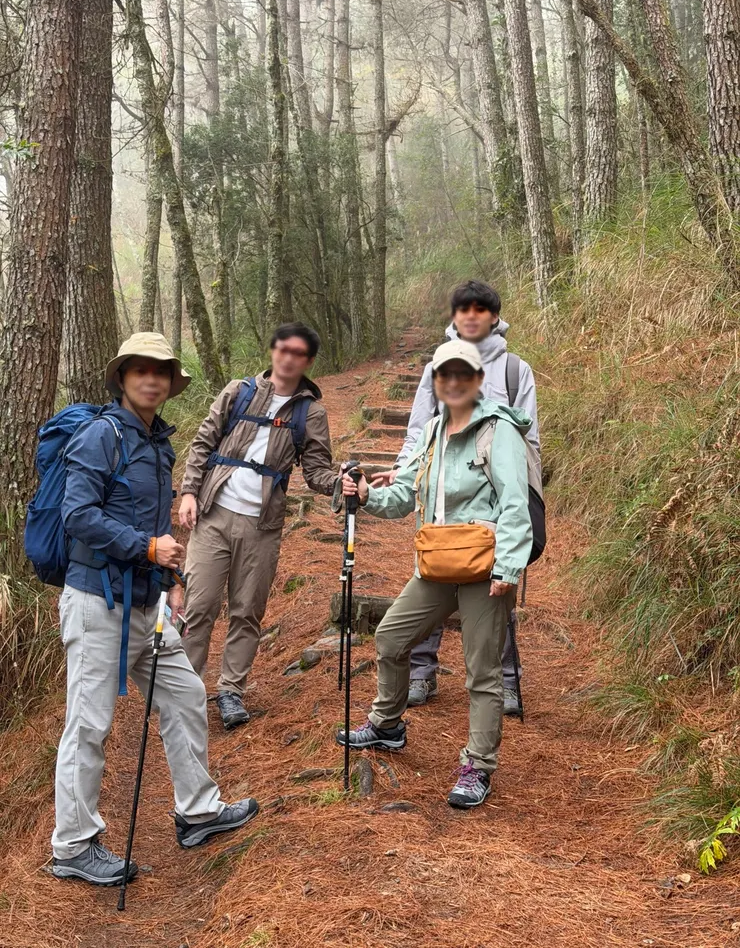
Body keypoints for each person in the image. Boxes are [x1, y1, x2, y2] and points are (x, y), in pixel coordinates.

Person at [52, 333, 258, 888]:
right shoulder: (101, 436)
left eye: (161, 372)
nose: (152, 379)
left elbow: (160, 526)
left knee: (186, 692)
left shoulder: (158, 443)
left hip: (147, 604)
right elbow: (77, 515)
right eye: (141, 370)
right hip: (97, 600)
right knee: (89, 724)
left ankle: (197, 811)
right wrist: (145, 548)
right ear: (122, 378)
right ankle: (72, 845)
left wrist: (171, 580)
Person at [337, 339, 533, 809]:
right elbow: (405, 494)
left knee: (481, 672)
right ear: (436, 382)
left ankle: (478, 765)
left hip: (485, 569)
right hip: (437, 563)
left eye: (462, 374)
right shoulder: (430, 432)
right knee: (390, 638)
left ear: (477, 380)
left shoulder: (497, 431)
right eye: (444, 375)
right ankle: (387, 725)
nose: (452, 382)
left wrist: (508, 568)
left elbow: (514, 505)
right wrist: (366, 495)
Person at [373, 280, 539, 715]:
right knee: (433, 569)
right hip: (439, 503)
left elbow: (529, 438)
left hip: (489, 505)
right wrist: (405, 473)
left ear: (494, 316)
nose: (470, 315)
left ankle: (505, 682)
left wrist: (521, 495)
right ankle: (423, 675)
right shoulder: (436, 366)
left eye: (480, 309)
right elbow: (419, 428)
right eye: (462, 308)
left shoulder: (513, 370)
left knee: (491, 592)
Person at [179, 322, 337, 730]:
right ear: (273, 351)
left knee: (247, 610)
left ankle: (231, 690)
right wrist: (189, 493)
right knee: (199, 606)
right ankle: (186, 692)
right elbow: (203, 442)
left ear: (308, 361)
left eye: (298, 353)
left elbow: (318, 470)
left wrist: (343, 484)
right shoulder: (239, 391)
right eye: (283, 349)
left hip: (262, 524)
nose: (288, 358)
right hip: (214, 512)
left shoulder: (310, 411)